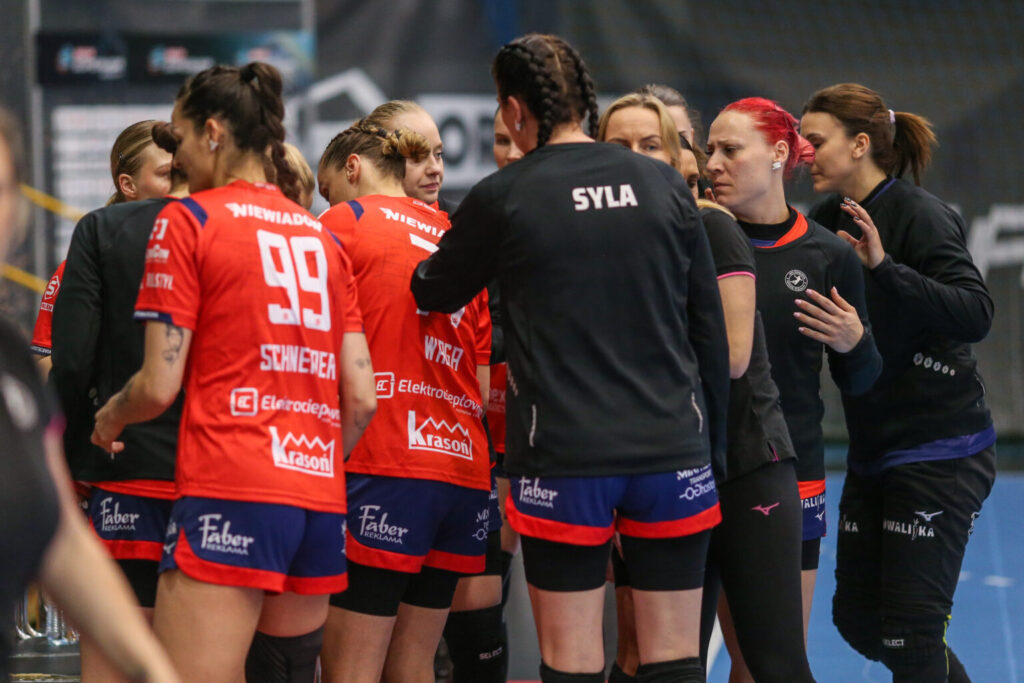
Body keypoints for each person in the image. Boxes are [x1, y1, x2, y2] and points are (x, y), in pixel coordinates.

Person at [412, 33, 730, 683]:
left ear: (513, 110)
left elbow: (431, 289)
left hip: (564, 454)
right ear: (586, 100)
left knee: (573, 661)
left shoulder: (506, 194)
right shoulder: (665, 185)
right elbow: (708, 329)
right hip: (672, 446)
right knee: (675, 658)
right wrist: (712, 450)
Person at [90, 62, 376, 683]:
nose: (178, 155)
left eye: (181, 137)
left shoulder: (187, 220)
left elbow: (157, 385)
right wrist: (312, 466)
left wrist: (108, 417)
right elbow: (361, 400)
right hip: (317, 500)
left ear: (213, 133)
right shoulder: (323, 240)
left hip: (229, 488)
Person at [598, 92, 815, 683]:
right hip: (666, 472)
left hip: (744, 467)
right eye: (620, 146)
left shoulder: (712, 225)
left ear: (678, 157)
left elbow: (734, 357)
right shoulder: (612, 244)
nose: (636, 157)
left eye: (650, 145)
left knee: (773, 664)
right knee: (659, 661)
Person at [801, 83, 995, 683]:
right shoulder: (825, 220)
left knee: (909, 633)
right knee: (858, 620)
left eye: (816, 141)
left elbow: (975, 314)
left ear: (860, 145)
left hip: (940, 448)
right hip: (874, 448)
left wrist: (885, 268)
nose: (805, 153)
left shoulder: (919, 214)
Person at [705, 96, 882, 681]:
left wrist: (856, 343)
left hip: (787, 473)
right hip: (692, 466)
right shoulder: (692, 241)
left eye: (731, 150)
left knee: (765, 666)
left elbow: (862, 382)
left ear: (779, 153)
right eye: (709, 150)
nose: (713, 163)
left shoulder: (827, 254)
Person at [0, 108, 180, 683]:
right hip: (122, 474)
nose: (177, 188)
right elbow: (58, 360)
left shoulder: (201, 245)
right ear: (127, 183)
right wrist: (82, 450)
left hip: (193, 478)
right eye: (164, 175)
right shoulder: (92, 247)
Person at [315, 121, 492, 683]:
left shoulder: (344, 222)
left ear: (351, 168)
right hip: (461, 471)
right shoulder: (455, 235)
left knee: (350, 671)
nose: (327, 203)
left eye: (326, 190)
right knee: (414, 665)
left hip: (382, 462)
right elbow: (484, 387)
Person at [50, 121, 187, 683]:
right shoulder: (240, 229)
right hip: (224, 478)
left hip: (128, 467)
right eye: (166, 173)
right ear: (127, 183)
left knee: (119, 662)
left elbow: (71, 361)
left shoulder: (102, 231)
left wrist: (70, 458)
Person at [30, 120, 173, 375]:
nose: (183, 186)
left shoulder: (202, 251)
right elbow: (42, 366)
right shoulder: (84, 265)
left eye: (185, 172)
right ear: (128, 185)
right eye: (167, 174)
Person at [362, 100, 449, 212]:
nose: (435, 169)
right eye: (416, 156)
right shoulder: (353, 217)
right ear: (378, 160)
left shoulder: (456, 220)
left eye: (438, 154)